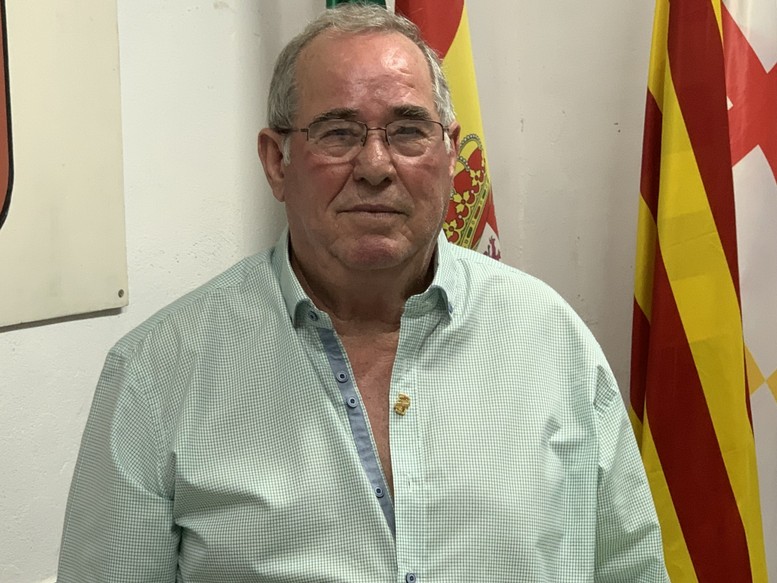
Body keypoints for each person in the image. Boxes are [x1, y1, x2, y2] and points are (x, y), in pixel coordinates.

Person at [57, 4, 669, 582]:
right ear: (276, 161)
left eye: (409, 131)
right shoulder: (155, 377)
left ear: (449, 153)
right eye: (338, 133)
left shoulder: (552, 341)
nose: (376, 165)